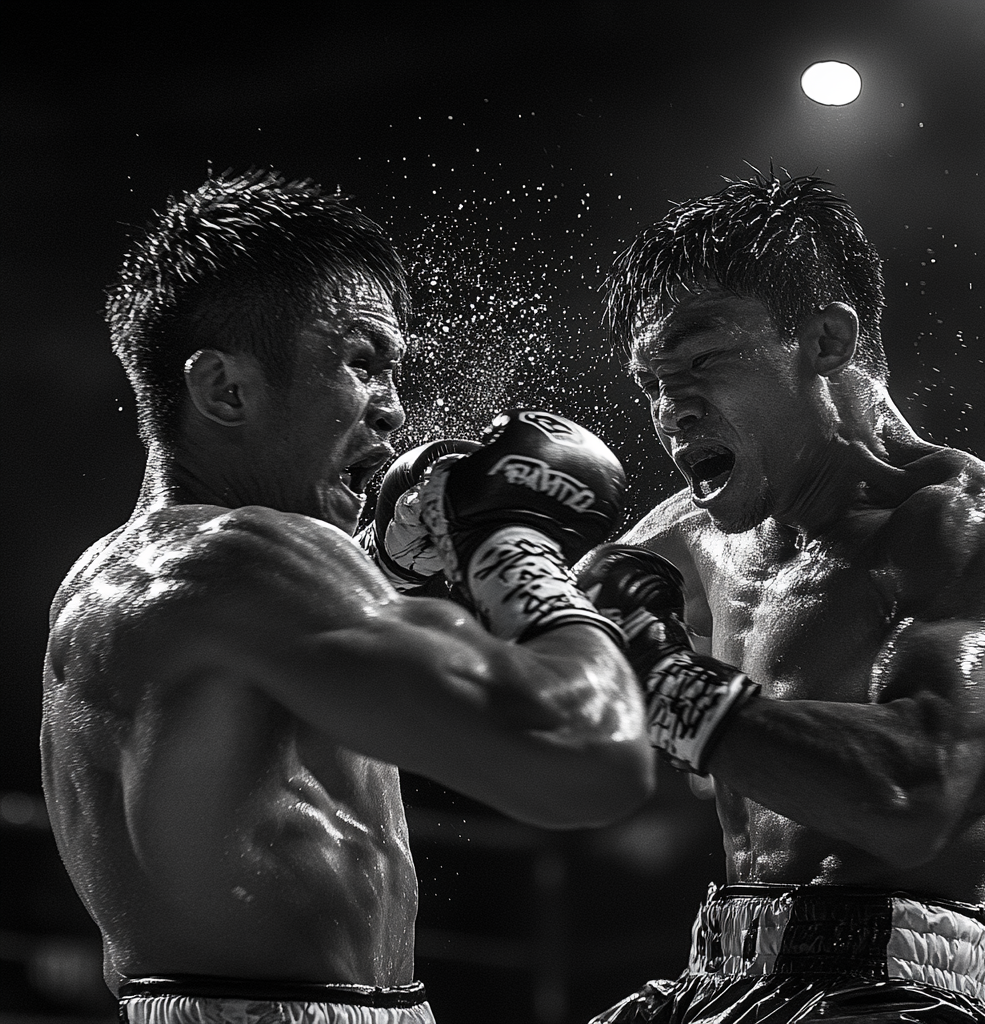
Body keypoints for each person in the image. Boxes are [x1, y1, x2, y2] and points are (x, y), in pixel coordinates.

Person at [40, 170, 655, 1024]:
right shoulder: (245, 559)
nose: (394, 411)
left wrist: (394, 567)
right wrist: (514, 545)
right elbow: (591, 759)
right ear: (225, 390)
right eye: (361, 363)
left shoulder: (125, 575)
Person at [575, 172, 985, 1023]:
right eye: (651, 381)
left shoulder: (964, 531)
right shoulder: (697, 531)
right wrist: (444, 543)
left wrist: (672, 695)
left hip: (887, 986)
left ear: (822, 340)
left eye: (702, 360)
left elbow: (915, 795)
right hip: (715, 968)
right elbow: (536, 648)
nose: (672, 409)